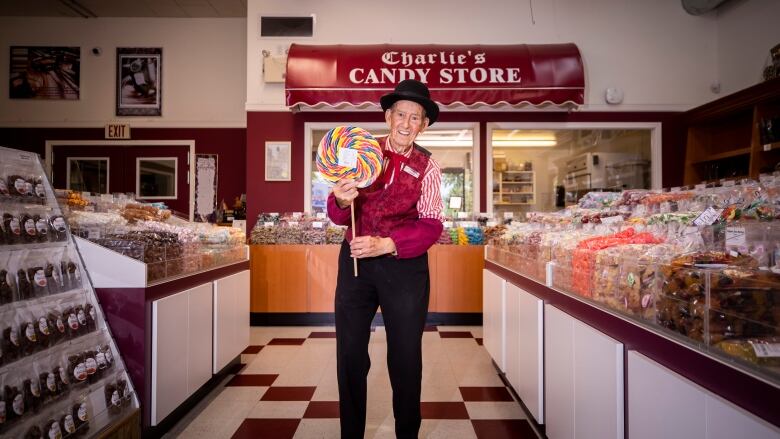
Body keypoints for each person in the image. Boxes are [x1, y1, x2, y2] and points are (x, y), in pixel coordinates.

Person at [327, 79, 444, 439]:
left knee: (406, 357)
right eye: (401, 115)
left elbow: (432, 225)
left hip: (405, 268)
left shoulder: (428, 166)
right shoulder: (361, 153)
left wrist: (388, 243)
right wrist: (342, 199)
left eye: (415, 118)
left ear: (423, 124)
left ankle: (407, 433)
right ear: (388, 116)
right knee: (349, 355)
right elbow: (335, 211)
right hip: (357, 265)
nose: (407, 124)